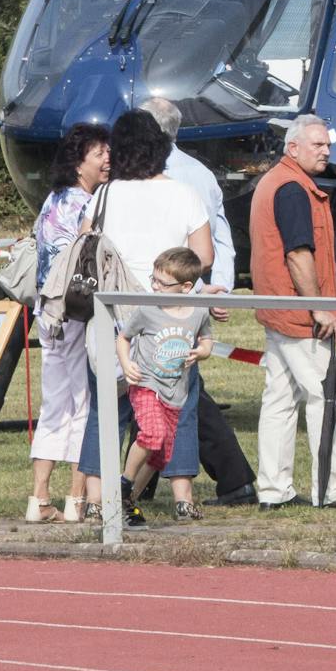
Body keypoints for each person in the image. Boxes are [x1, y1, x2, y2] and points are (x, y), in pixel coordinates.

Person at [74, 109, 213, 523]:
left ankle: (96, 499)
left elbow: (84, 245)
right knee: (178, 404)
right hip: (165, 310)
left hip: (112, 310)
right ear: (161, 147)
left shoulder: (105, 195)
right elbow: (204, 257)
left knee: (106, 408)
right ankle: (182, 495)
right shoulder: (184, 194)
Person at [250, 115, 336, 509]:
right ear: (293, 148)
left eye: (327, 144)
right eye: (318, 145)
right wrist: (320, 307)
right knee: (328, 395)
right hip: (299, 316)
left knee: (280, 399)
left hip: (279, 308)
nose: (326, 151)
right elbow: (298, 254)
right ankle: (330, 490)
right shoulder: (292, 188)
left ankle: (274, 491)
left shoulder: (277, 181)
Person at [137, 97, 257, 506]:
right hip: (182, 292)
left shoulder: (165, 177)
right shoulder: (198, 172)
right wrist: (218, 287)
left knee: (169, 390)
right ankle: (231, 480)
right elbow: (221, 235)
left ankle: (143, 485)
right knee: (171, 388)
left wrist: (213, 289)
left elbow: (208, 239)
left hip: (168, 294)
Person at [26, 123, 109, 522]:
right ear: (79, 163)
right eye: (99, 154)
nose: (108, 159)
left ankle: (39, 497)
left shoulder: (52, 199)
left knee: (54, 404)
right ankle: (76, 499)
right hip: (75, 310)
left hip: (47, 310)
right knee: (83, 402)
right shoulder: (86, 205)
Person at [117, 247, 213, 521]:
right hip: (146, 384)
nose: (155, 286)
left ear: (186, 287)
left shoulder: (198, 312)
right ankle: (124, 483)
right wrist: (126, 363)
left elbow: (207, 339)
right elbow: (123, 337)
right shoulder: (148, 309)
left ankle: (127, 502)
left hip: (175, 392)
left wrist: (202, 352)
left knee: (160, 455)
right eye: (154, 279)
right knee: (152, 434)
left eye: (162, 283)